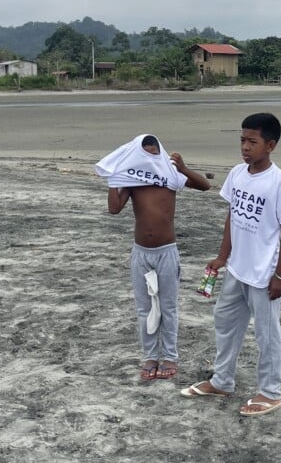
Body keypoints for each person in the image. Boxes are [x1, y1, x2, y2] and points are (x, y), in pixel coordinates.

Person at [180, 112, 281, 416]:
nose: (245, 147)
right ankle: (222, 381)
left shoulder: (280, 182)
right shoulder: (237, 174)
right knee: (225, 322)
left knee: (267, 334)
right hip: (237, 269)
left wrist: (280, 275)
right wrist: (222, 256)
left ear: (270, 145)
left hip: (263, 274)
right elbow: (233, 216)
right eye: (242, 140)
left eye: (252, 141)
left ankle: (271, 393)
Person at [95, 134, 210, 381]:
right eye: (144, 154)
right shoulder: (133, 177)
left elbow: (205, 186)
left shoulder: (169, 174)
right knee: (144, 309)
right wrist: (115, 177)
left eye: (153, 154)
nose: (150, 159)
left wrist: (184, 169)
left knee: (168, 307)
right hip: (141, 253)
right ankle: (150, 356)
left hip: (166, 251)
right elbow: (114, 209)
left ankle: (169, 356)